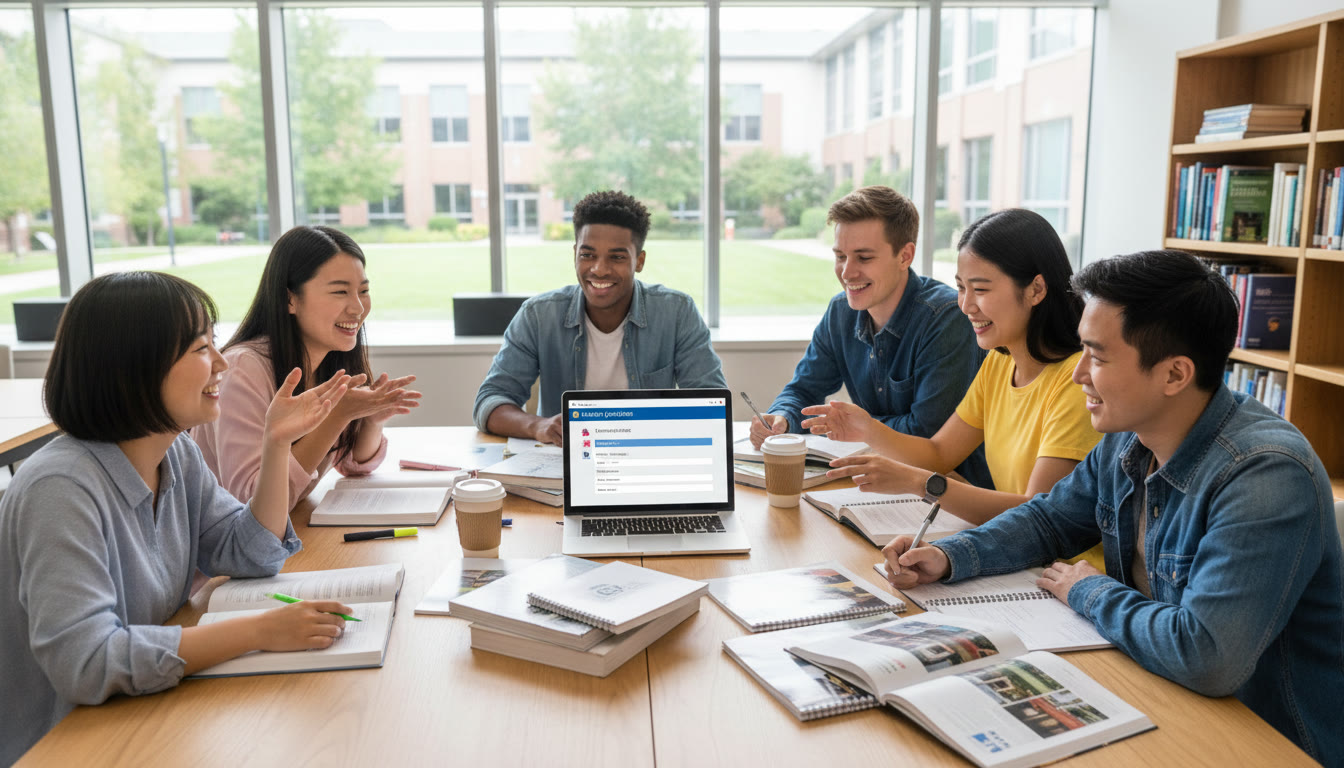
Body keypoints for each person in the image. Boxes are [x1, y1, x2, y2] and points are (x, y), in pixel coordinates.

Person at [880, 250, 1344, 763]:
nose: (1078, 374)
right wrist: (951, 556)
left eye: (1098, 357)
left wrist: (1089, 590)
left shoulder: (1266, 475)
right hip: (1164, 696)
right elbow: (1050, 519)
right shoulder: (1131, 436)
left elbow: (1208, 656)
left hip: (1267, 741)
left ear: (1174, 375)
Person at [0, 272, 359, 764]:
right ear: (134, 366)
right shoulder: (59, 489)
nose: (220, 363)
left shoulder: (176, 455)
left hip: (135, 712)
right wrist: (257, 631)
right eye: (199, 349)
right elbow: (85, 662)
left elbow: (249, 552)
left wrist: (275, 446)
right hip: (60, 744)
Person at [802, 209, 1104, 568]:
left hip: (1065, 576)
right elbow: (939, 453)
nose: (965, 305)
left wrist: (922, 484)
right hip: (1015, 561)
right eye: (961, 288)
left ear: (1036, 289)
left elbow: (1038, 518)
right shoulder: (1000, 361)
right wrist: (867, 428)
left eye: (980, 289)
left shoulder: (1076, 382)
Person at [748, 186, 990, 488]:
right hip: (876, 479)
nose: (847, 273)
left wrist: (856, 426)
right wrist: (782, 417)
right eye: (840, 256)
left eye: (863, 258)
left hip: (948, 491)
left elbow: (927, 435)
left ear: (905, 256)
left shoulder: (946, 318)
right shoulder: (841, 311)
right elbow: (802, 390)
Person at [192, 225, 420, 509]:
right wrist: (336, 417)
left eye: (363, 290)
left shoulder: (330, 357)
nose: (358, 308)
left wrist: (371, 420)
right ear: (290, 299)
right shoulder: (244, 368)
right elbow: (251, 504)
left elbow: (353, 466)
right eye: (340, 292)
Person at [473, 189, 725, 443]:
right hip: (560, 464)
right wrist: (538, 426)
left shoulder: (677, 312)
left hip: (645, 456)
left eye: (616, 257)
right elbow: (491, 401)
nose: (599, 269)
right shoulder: (538, 315)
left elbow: (713, 403)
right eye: (587, 255)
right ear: (575, 254)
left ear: (639, 261)